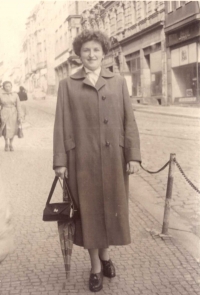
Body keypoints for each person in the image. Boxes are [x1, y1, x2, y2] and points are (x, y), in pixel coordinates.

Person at [53, 30, 141, 292]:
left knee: (110, 210)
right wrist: (60, 161)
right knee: (89, 213)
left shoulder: (118, 82)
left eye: (96, 50)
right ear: (79, 54)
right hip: (82, 161)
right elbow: (61, 124)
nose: (91, 54)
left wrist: (133, 155)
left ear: (104, 53)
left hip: (114, 159)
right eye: (86, 50)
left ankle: (106, 255)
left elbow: (129, 120)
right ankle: (95, 266)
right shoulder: (67, 85)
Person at [0, 81, 22, 151]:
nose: (8, 87)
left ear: (11, 87)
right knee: (5, 129)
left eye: (9, 86)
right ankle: (6, 143)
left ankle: (11, 144)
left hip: (13, 113)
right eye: (6, 86)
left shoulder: (15, 95)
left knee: (13, 129)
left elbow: (18, 106)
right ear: (4, 87)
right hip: (4, 112)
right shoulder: (1, 95)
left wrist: (19, 116)